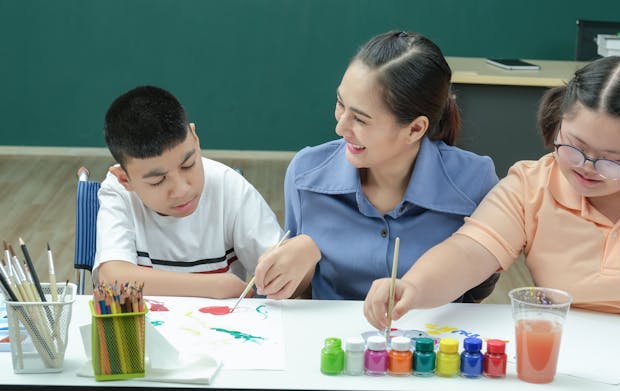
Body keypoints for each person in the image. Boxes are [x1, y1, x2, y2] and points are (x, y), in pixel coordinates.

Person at [363, 56, 620, 391]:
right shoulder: (531, 186)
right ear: (558, 122)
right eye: (574, 146)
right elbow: (469, 250)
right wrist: (412, 285)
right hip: (573, 366)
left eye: (609, 159)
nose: (584, 168)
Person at [253, 30, 500, 301]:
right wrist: (301, 262)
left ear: (415, 129)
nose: (340, 127)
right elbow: (301, 298)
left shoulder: (474, 181)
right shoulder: (305, 175)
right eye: (340, 104)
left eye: (360, 119)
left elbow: (478, 289)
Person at [93, 85, 289, 299]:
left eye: (188, 165)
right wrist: (214, 286)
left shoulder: (227, 186)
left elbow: (283, 271)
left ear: (195, 138)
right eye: (158, 180)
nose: (182, 190)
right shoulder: (117, 192)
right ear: (124, 178)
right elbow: (113, 277)